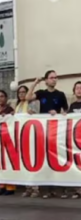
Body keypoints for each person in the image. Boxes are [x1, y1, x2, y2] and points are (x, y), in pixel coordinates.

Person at [26, 70, 68, 199]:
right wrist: (35, 83)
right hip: (43, 131)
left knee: (57, 158)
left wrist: (58, 113)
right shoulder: (41, 93)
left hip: (56, 131)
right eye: (51, 78)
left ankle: (58, 188)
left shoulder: (60, 95)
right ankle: (46, 188)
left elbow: (66, 111)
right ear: (46, 80)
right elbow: (27, 98)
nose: (54, 80)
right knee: (44, 158)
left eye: (56, 77)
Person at [13, 86, 41, 198]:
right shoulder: (18, 105)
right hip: (21, 137)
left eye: (24, 92)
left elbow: (35, 115)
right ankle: (28, 188)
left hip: (31, 136)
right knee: (24, 163)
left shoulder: (33, 102)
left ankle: (35, 188)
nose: (21, 94)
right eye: (19, 92)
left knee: (33, 163)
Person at [65, 81, 81, 199]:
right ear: (74, 91)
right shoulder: (73, 106)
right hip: (76, 139)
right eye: (77, 88)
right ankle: (78, 190)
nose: (79, 90)